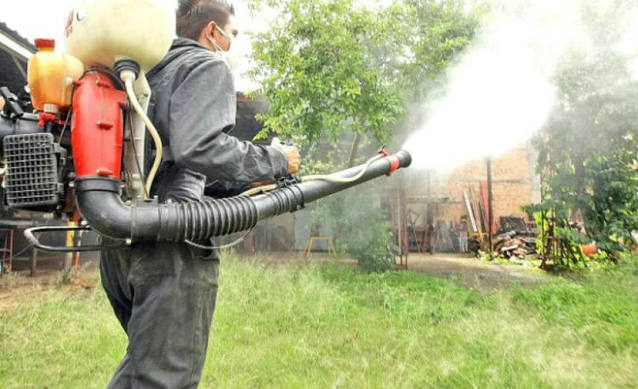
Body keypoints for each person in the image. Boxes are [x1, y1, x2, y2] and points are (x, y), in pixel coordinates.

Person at [99, 1, 301, 387]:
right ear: (212, 31)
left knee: (144, 365)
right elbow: (201, 148)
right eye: (233, 34)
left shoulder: (146, 71)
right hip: (171, 247)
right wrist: (275, 159)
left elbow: (176, 162)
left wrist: (250, 181)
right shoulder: (205, 65)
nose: (233, 43)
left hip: (120, 244)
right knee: (164, 377)